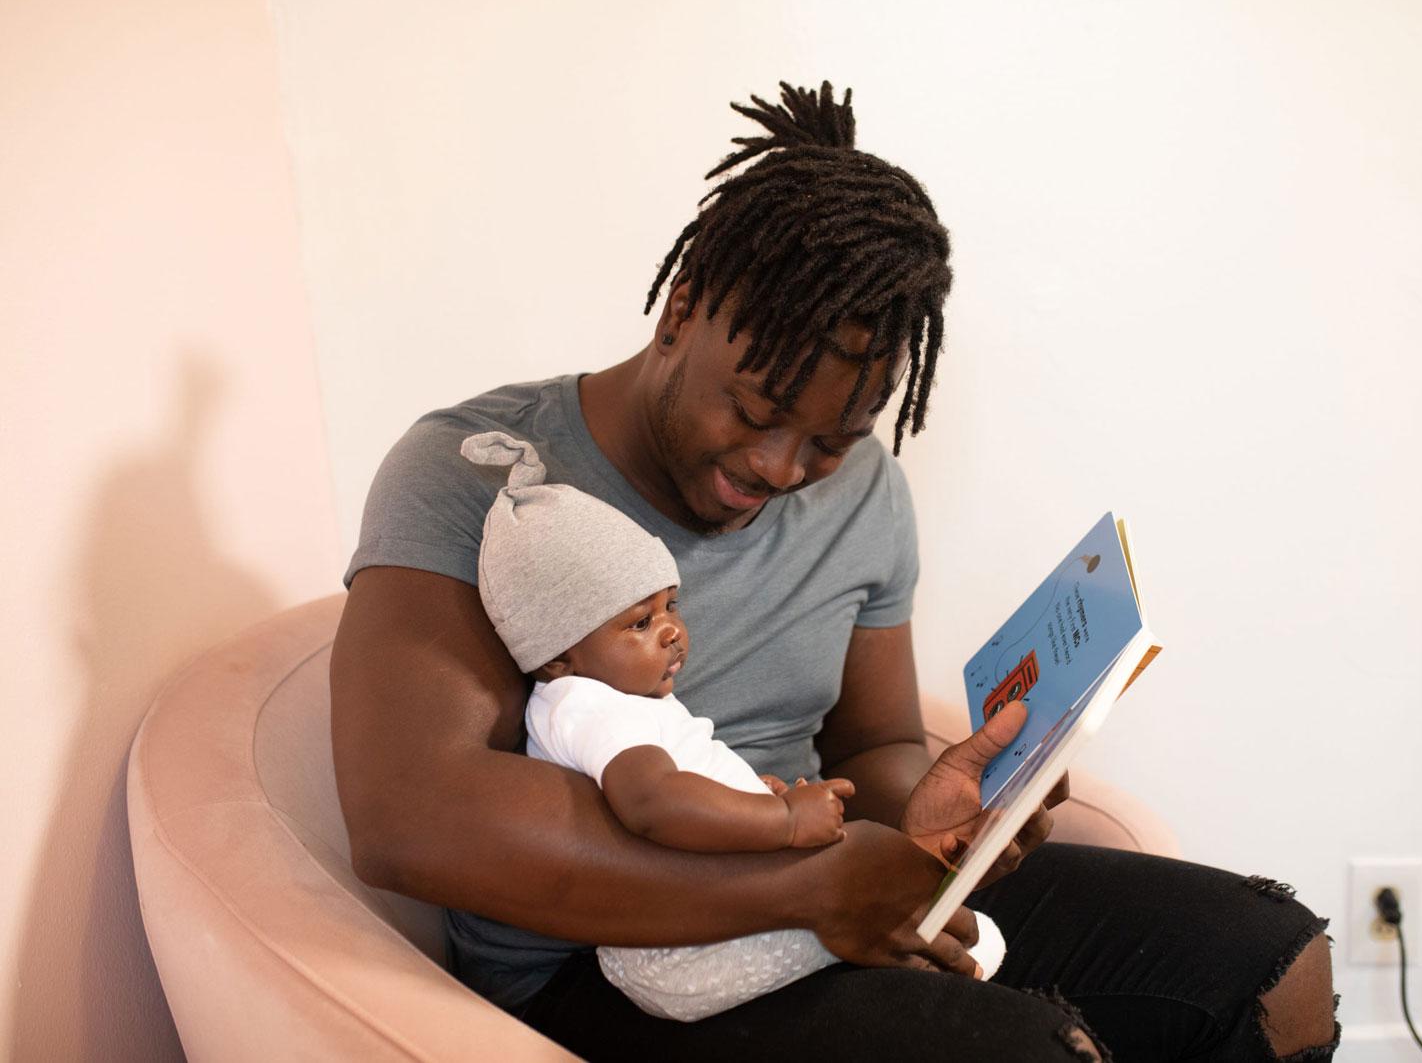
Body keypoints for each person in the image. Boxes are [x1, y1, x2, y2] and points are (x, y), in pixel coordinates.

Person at [331, 81, 1339, 1061]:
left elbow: (877, 742)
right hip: (605, 965)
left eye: (830, 439)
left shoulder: (865, 493)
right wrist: (799, 888)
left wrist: (941, 811)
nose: (777, 470)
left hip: (823, 888)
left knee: (1268, 956)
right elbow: (409, 818)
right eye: (757, 411)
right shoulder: (478, 473)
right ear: (681, 310)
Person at [456, 428, 1006, 1021]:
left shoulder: (622, 698)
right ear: (557, 655)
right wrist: (783, 820)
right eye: (639, 623)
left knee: (900, 910)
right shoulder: (586, 705)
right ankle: (943, 926)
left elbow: (681, 789)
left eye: (671, 605)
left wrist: (748, 796)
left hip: (699, 927)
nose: (671, 630)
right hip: (675, 951)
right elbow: (653, 802)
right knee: (924, 928)